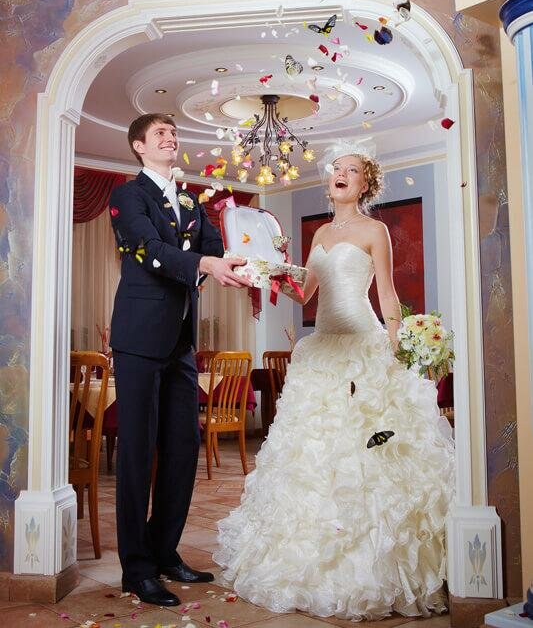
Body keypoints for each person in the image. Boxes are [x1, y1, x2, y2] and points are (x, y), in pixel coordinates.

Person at [213, 140, 455, 621]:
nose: (340, 174)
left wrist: (397, 347)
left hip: (361, 344)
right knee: (312, 454)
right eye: (336, 168)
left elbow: (387, 295)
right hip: (321, 350)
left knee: (364, 449)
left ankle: (369, 559)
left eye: (351, 170)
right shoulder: (321, 232)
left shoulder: (375, 230)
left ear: (365, 184)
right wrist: (269, 272)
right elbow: (305, 292)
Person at [109, 113, 249, 606]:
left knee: (183, 447)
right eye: (161, 134)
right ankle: (136, 569)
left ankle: (164, 551)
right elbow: (147, 248)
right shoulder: (128, 196)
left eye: (173, 133)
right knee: (136, 452)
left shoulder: (190, 200)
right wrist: (204, 263)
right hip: (138, 339)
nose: (171, 138)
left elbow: (214, 249)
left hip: (180, 342)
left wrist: (244, 259)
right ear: (139, 146)